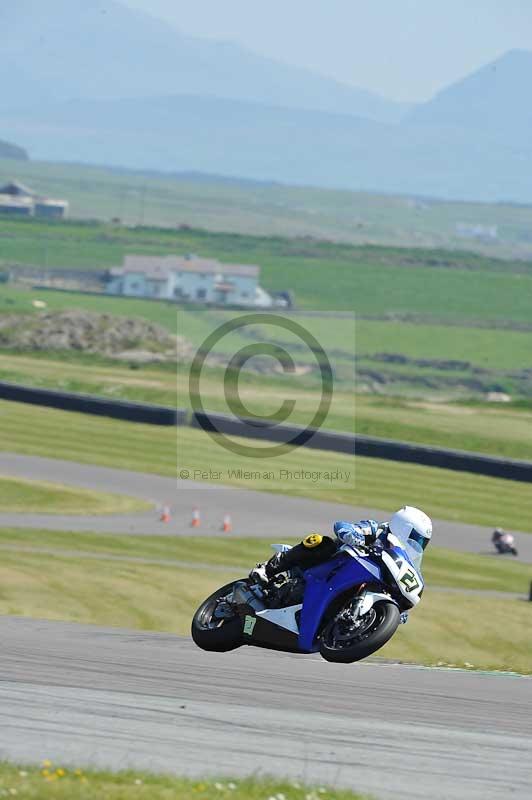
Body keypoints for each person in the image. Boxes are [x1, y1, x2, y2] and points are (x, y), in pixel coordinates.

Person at [249, 506, 433, 621]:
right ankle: (267, 569)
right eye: (415, 539)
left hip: (355, 584)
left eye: (422, 542)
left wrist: (398, 609)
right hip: (330, 567)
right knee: (321, 542)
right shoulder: (378, 530)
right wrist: (353, 535)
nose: (418, 545)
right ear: (403, 527)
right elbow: (342, 526)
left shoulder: (404, 561)